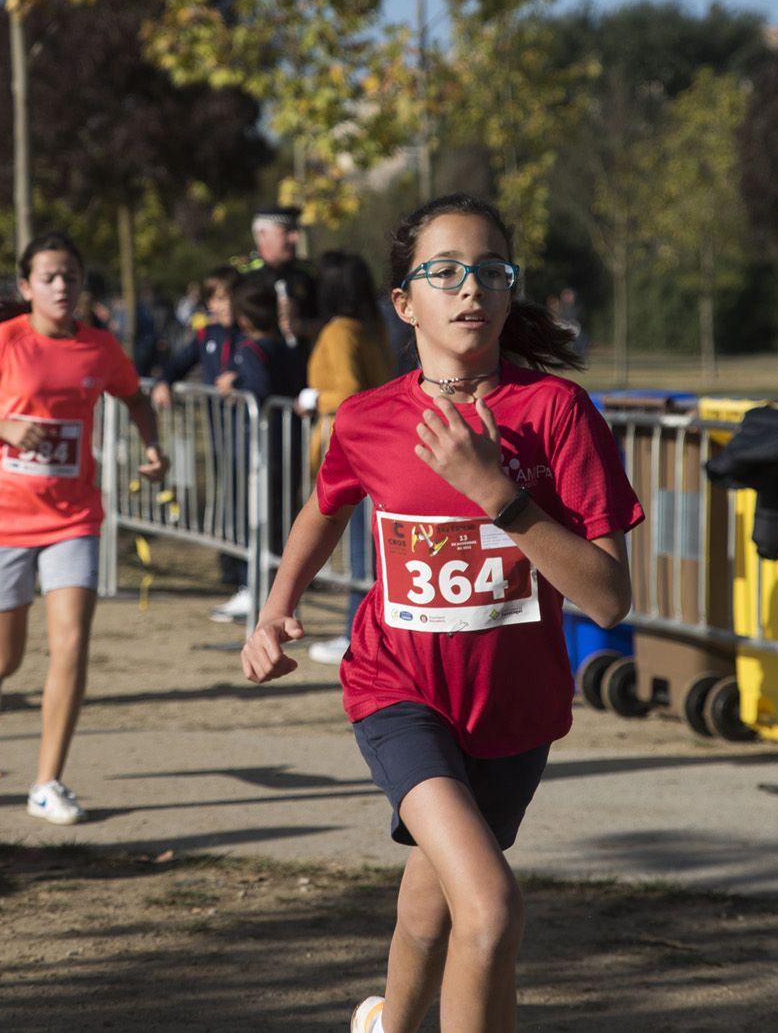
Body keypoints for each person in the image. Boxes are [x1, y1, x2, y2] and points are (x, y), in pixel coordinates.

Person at [240, 194, 640, 1033]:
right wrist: (276, 611)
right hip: (398, 691)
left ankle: (386, 1024)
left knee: (433, 911)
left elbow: (608, 598)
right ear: (404, 302)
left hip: (515, 711)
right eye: (446, 271)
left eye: (493, 271)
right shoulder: (369, 418)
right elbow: (324, 507)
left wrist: (501, 497)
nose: (472, 289)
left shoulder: (557, 415)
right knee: (490, 908)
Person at [0, 232, 168, 825]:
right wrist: (1, 429)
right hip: (0, 517)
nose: (62, 286)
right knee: (6, 654)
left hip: (73, 517)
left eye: (72, 277)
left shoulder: (99, 347)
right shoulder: (1, 342)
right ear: (27, 287)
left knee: (72, 644)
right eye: (50, 277)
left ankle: (46, 781)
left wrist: (152, 445)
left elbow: (134, 398)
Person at [300, 250, 398, 664]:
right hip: (380, 445)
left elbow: (351, 393)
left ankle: (354, 634)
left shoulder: (340, 332)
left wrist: (313, 397)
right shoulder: (372, 325)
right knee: (370, 548)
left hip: (352, 449)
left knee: (360, 550)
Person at [209, 280, 307, 624]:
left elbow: (261, 389)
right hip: (287, 446)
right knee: (280, 522)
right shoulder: (287, 346)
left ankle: (255, 590)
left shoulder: (250, 349)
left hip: (261, 451)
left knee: (258, 521)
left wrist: (236, 384)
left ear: (244, 318)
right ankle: (279, 596)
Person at [153, 267, 249, 592]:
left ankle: (250, 574)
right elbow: (178, 363)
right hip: (219, 433)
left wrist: (239, 378)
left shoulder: (251, 334)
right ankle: (230, 568)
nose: (225, 305)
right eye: (219, 298)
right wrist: (164, 382)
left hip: (250, 435)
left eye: (231, 297)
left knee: (249, 499)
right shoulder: (205, 335)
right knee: (228, 495)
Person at [235, 205, 318, 348]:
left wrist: (302, 326)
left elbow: (327, 320)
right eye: (286, 232)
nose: (295, 238)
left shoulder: (306, 275)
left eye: (294, 231)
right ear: (262, 234)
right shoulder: (243, 277)